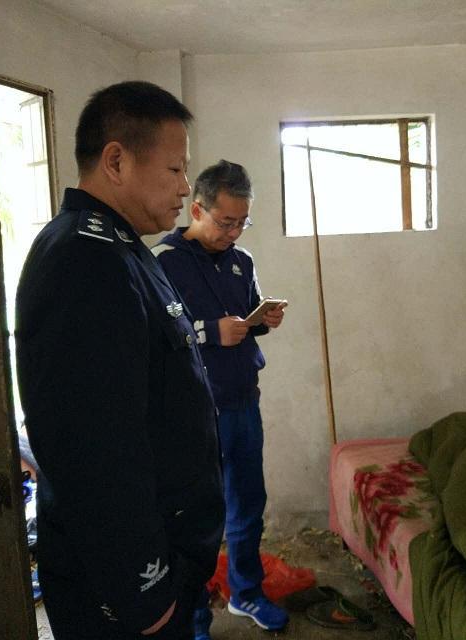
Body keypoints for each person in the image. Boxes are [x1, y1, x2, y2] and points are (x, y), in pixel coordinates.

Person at [15, 81, 225, 640]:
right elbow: (95, 451)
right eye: (175, 169)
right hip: (126, 591)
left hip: (161, 561)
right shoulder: (84, 261)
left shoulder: (123, 248)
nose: (185, 187)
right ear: (116, 161)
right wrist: (146, 591)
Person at [152, 160, 288, 639]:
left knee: (248, 503)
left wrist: (261, 320)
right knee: (196, 518)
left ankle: (246, 591)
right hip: (195, 412)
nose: (233, 232)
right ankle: (193, 617)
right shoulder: (162, 262)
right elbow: (155, 336)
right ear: (197, 210)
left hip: (242, 400)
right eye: (226, 222)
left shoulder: (241, 261)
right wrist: (211, 331)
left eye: (242, 222)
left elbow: (244, 319)